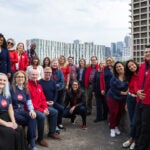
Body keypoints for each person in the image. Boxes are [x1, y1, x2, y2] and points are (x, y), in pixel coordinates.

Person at [28, 69, 61, 143]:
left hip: (41, 107)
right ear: (29, 75)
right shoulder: (28, 86)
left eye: (36, 75)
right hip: (33, 108)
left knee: (54, 112)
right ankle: (40, 138)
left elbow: (43, 98)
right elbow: (31, 102)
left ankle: (51, 132)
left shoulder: (39, 85)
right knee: (42, 116)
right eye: (33, 74)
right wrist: (42, 110)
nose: (35, 76)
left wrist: (45, 107)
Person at [11, 71, 38, 150]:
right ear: (15, 78)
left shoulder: (26, 89)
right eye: (18, 77)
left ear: (25, 79)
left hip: (22, 110)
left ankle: (31, 144)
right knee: (31, 122)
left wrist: (32, 110)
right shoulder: (11, 88)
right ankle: (31, 144)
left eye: (22, 77)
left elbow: (29, 102)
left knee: (32, 117)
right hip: (14, 111)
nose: (20, 78)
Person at [0, 73, 25, 150]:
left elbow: (10, 108)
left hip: (6, 117)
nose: (2, 82)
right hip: (1, 120)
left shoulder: (6, 94)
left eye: (4, 80)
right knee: (10, 132)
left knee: (19, 129)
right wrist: (6, 124)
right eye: (0, 80)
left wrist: (13, 121)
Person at [39, 67, 64, 135]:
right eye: (46, 72)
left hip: (52, 102)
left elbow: (56, 93)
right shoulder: (39, 82)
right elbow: (38, 95)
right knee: (54, 111)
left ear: (51, 73)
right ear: (43, 73)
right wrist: (46, 102)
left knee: (61, 108)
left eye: (49, 72)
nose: (48, 74)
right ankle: (54, 128)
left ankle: (58, 123)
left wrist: (53, 101)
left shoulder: (53, 82)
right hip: (43, 103)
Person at [134, 45, 150, 150]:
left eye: (149, 51)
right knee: (138, 123)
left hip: (148, 101)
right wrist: (137, 91)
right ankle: (138, 145)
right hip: (139, 100)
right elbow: (136, 81)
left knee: (145, 126)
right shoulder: (143, 66)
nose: (147, 53)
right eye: (145, 52)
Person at [107, 61, 128, 137]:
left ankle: (116, 126)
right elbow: (113, 89)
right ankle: (112, 128)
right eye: (117, 67)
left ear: (123, 67)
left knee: (120, 113)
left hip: (123, 99)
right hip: (113, 97)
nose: (118, 68)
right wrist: (124, 93)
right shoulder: (114, 78)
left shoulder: (127, 76)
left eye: (120, 66)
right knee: (114, 113)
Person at [122, 60, 139, 150]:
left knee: (134, 122)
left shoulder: (142, 73)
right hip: (130, 98)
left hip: (138, 100)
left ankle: (133, 139)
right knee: (132, 120)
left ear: (136, 64)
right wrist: (126, 103)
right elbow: (129, 88)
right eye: (129, 66)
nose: (132, 67)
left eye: (132, 65)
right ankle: (133, 139)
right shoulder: (131, 76)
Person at [51, 59, 65, 129]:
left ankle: (59, 122)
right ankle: (54, 124)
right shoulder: (48, 71)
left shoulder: (60, 72)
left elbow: (62, 82)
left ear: (58, 64)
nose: (55, 64)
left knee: (60, 107)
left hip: (59, 92)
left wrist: (55, 86)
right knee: (53, 108)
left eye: (56, 63)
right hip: (51, 93)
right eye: (53, 63)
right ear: (51, 64)